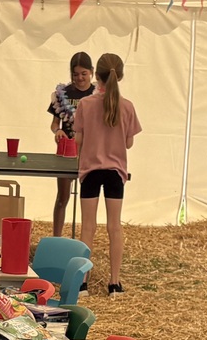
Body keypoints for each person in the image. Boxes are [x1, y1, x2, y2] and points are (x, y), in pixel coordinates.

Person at [71, 51, 139, 294]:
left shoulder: (85, 105)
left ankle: (82, 282)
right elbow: (129, 142)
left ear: (95, 76)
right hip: (115, 172)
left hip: (90, 170)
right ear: (119, 76)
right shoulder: (127, 106)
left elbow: (78, 139)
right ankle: (114, 283)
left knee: (88, 227)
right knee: (114, 227)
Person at [48, 50, 93, 236]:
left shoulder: (97, 94)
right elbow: (54, 124)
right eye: (75, 74)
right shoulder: (63, 94)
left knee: (88, 199)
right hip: (66, 153)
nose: (80, 78)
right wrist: (57, 131)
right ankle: (56, 237)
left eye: (84, 74)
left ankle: (85, 238)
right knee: (62, 197)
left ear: (92, 72)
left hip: (90, 152)